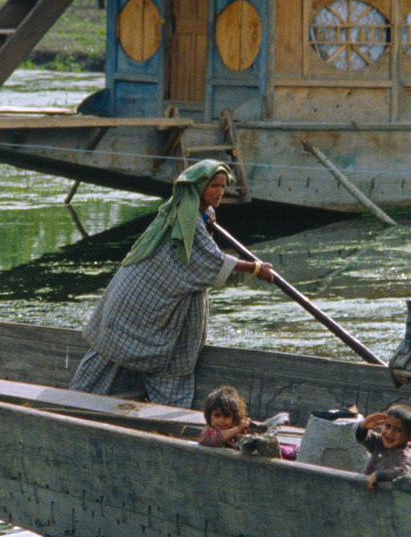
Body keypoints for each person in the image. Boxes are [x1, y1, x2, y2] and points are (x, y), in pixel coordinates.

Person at [69, 160, 276, 408]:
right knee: (113, 351)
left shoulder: (205, 213)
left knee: (174, 354)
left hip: (166, 295)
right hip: (138, 296)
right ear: (199, 187)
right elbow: (209, 261)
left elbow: (203, 258)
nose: (220, 192)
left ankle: (168, 409)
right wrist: (255, 268)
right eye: (213, 186)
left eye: (222, 186)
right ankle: (75, 403)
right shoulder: (186, 214)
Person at [198, 385, 298, 460]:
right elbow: (219, 437)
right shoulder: (207, 433)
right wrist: (238, 428)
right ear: (209, 416)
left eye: (227, 416)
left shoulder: (234, 428)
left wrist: (248, 427)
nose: (222, 420)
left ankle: (292, 452)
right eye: (217, 415)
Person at [356, 403, 411, 492]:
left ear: (410, 437)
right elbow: (362, 438)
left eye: (398, 430)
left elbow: (405, 472)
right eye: (387, 426)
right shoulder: (379, 442)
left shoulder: (403, 456)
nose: (390, 432)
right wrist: (363, 426)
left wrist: (378, 475)